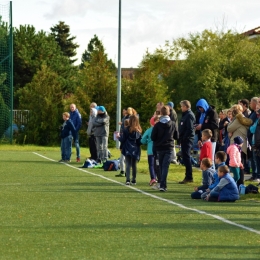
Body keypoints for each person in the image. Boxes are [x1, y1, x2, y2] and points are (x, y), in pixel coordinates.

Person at [151, 105, 179, 191]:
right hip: (169, 147)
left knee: (161, 166)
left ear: (161, 113)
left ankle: (162, 184)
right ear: (169, 113)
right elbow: (177, 136)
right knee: (165, 166)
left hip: (159, 148)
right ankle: (163, 185)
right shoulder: (173, 124)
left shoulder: (157, 125)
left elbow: (153, 137)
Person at [227, 105, 252, 186]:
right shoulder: (241, 118)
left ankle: (239, 183)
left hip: (238, 146)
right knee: (240, 163)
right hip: (240, 145)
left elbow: (229, 128)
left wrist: (230, 125)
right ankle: (239, 183)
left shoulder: (238, 119)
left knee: (238, 164)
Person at [118, 115, 142, 185]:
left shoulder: (126, 129)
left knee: (128, 164)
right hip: (135, 148)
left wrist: (118, 137)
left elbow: (123, 139)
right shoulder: (138, 130)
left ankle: (128, 179)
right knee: (134, 164)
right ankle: (134, 179)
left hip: (127, 147)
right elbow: (139, 141)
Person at [195, 99, 219, 167]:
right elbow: (197, 124)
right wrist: (199, 139)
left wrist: (202, 126)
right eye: (198, 108)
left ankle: (212, 175)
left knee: (210, 159)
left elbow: (215, 125)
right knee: (204, 159)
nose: (200, 109)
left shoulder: (212, 113)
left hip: (211, 138)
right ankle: (206, 174)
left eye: (201, 107)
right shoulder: (199, 113)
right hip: (202, 137)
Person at [178, 100, 195, 184]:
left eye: (182, 106)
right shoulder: (186, 115)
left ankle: (189, 176)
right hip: (184, 139)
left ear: (186, 106)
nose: (181, 108)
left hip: (187, 140)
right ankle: (188, 176)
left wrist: (184, 138)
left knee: (187, 157)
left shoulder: (189, 115)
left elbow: (190, 129)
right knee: (185, 157)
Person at [141, 116, 159, 186]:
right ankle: (158, 177)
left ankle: (153, 178)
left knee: (151, 165)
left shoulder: (149, 130)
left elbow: (142, 140)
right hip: (158, 149)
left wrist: (147, 141)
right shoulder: (160, 129)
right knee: (157, 165)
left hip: (150, 150)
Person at [246, 97, 259, 181]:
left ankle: (257, 175)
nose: (250, 104)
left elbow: (253, 128)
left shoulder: (257, 116)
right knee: (254, 158)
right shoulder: (254, 114)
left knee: (256, 159)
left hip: (256, 140)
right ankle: (255, 175)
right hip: (253, 139)